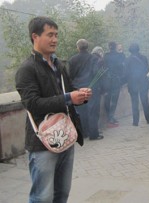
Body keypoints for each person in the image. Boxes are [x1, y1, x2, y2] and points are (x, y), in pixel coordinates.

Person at [15, 16, 92, 203]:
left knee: (62, 194)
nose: (55, 39)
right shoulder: (27, 69)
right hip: (42, 143)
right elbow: (32, 104)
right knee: (42, 197)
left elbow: (68, 90)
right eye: (50, 35)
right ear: (35, 36)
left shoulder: (58, 64)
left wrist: (79, 96)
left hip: (65, 136)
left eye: (56, 35)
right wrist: (68, 98)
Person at [68, 39, 104, 140]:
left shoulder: (72, 60)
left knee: (81, 112)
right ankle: (93, 134)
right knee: (93, 112)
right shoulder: (94, 58)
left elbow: (70, 76)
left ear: (78, 48)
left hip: (78, 89)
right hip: (91, 89)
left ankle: (84, 133)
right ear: (87, 47)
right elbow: (96, 73)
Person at [124, 43, 149, 126]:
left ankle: (135, 122)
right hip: (143, 82)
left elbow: (126, 73)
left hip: (133, 84)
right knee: (145, 102)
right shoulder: (144, 58)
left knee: (134, 103)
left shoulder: (127, 60)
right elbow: (147, 69)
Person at [103, 41, 126, 126]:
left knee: (107, 98)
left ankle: (110, 117)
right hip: (116, 80)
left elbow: (104, 67)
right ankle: (111, 117)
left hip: (107, 80)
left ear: (109, 47)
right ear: (115, 47)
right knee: (114, 99)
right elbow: (123, 66)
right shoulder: (120, 55)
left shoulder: (106, 56)